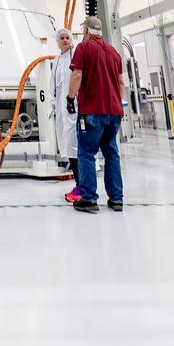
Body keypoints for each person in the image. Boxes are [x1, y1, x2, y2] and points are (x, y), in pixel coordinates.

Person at [66, 16, 125, 213]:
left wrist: (69, 98)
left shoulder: (83, 48)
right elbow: (121, 82)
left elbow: (77, 75)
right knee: (112, 153)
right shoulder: (114, 52)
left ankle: (89, 198)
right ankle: (117, 199)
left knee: (86, 153)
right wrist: (117, 103)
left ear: (86, 31)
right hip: (114, 112)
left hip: (91, 110)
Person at [52, 28, 81, 203]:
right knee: (69, 146)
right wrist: (52, 106)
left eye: (67, 37)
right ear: (57, 41)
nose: (64, 40)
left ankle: (82, 185)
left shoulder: (75, 56)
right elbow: (53, 86)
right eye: (61, 38)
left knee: (76, 147)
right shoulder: (56, 61)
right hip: (63, 111)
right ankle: (79, 185)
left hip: (75, 109)